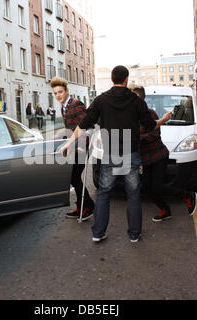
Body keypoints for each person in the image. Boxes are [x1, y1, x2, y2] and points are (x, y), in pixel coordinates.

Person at [60, 66, 172, 243]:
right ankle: (134, 234)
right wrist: (164, 120)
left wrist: (69, 142)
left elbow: (84, 123)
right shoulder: (136, 101)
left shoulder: (101, 100)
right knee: (133, 194)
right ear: (126, 79)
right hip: (131, 152)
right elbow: (150, 125)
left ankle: (98, 233)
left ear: (112, 79)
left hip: (110, 152)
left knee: (104, 193)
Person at [130, 85, 197, 222]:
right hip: (144, 159)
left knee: (157, 186)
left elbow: (153, 135)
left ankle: (188, 195)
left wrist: (134, 139)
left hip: (158, 156)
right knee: (148, 189)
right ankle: (165, 209)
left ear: (139, 99)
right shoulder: (129, 116)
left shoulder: (149, 114)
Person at [50, 76, 95, 221]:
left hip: (81, 148)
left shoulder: (76, 104)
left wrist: (82, 146)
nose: (58, 95)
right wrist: (59, 135)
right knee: (73, 178)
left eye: (60, 92)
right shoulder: (64, 107)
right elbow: (71, 128)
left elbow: (86, 126)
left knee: (74, 177)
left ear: (67, 91)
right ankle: (83, 206)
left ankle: (87, 207)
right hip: (74, 147)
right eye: (55, 93)